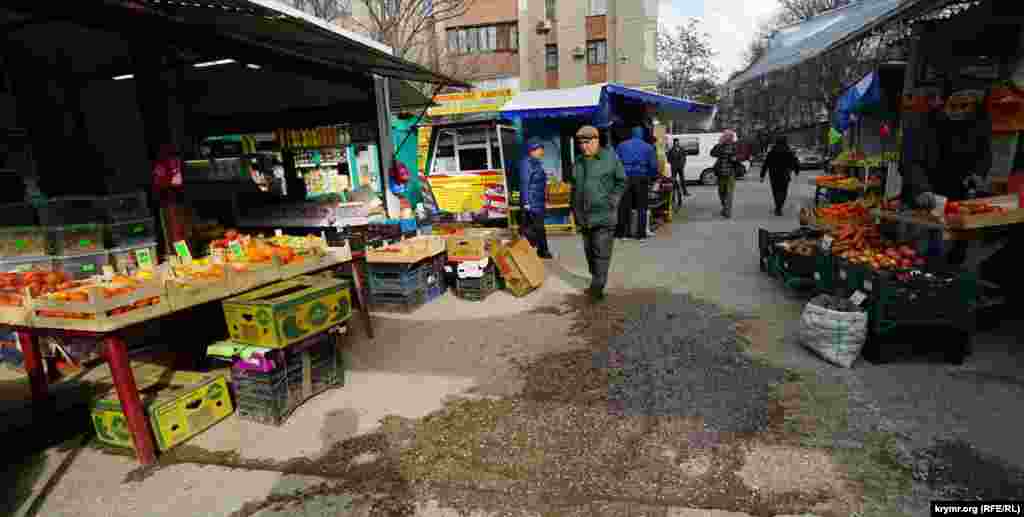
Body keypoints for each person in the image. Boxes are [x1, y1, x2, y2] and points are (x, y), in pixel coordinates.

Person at [569, 125, 627, 301]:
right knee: (590, 253)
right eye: (581, 143)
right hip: (584, 217)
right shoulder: (578, 161)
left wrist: (613, 200)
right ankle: (596, 279)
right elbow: (575, 186)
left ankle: (597, 288)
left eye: (587, 142)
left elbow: (622, 181)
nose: (584, 146)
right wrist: (573, 208)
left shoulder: (610, 158)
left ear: (596, 141)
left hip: (603, 216)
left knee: (601, 253)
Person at [614, 127, 658, 240]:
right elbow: (653, 166)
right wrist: (651, 178)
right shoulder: (648, 147)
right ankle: (640, 235)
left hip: (625, 177)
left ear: (631, 134)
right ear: (641, 135)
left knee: (624, 206)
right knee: (642, 207)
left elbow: (615, 163)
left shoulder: (621, 146)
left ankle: (623, 234)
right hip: (641, 177)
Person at [518, 139, 553, 259]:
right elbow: (524, 183)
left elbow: (538, 180)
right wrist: (526, 202)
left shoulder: (536, 163)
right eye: (540, 149)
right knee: (534, 228)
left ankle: (537, 250)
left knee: (535, 227)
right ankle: (539, 251)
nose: (542, 152)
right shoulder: (526, 163)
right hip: (531, 201)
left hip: (538, 200)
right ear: (533, 150)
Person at [761, 137, 801, 216]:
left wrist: (762, 175)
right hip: (785, 175)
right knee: (783, 191)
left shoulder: (772, 151)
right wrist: (796, 171)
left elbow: (766, 164)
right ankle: (779, 207)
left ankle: (778, 207)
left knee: (776, 191)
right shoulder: (789, 151)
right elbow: (795, 162)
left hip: (773, 175)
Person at [710, 130, 742, 218]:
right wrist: (719, 144)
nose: (728, 138)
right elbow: (712, 153)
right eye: (726, 136)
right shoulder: (720, 146)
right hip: (721, 173)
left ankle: (727, 212)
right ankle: (725, 207)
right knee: (721, 192)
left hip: (731, 174)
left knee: (729, 193)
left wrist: (736, 158)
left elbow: (742, 156)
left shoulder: (735, 146)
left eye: (730, 136)